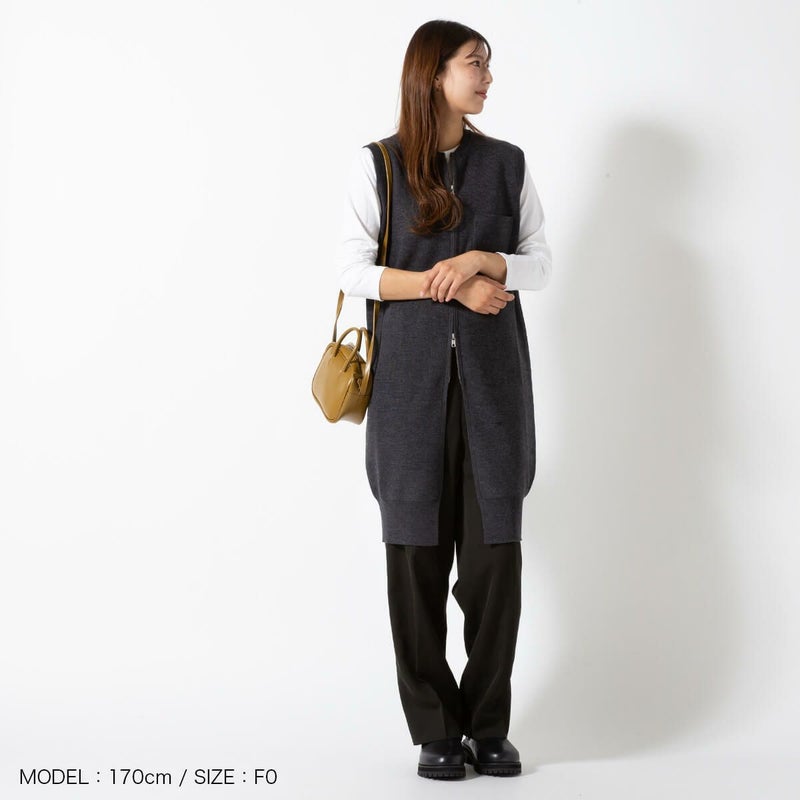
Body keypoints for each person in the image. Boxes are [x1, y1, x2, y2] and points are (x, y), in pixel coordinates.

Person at [335, 19, 552, 780]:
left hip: (494, 392)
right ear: (433, 75)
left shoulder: (507, 164)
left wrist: (485, 259)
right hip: (408, 395)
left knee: (495, 566)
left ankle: (488, 728)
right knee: (415, 563)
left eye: (486, 65)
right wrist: (449, 285)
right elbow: (353, 271)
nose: (487, 78)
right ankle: (435, 730)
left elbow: (540, 264)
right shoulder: (380, 165)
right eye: (474, 64)